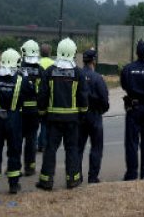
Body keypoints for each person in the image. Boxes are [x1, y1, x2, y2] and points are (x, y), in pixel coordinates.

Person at [36, 38, 89, 191]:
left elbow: (42, 95)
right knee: (71, 148)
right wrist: (83, 113)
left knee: (50, 149)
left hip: (53, 119)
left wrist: (42, 113)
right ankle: (72, 180)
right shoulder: (78, 73)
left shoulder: (49, 71)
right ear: (73, 53)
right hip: (72, 120)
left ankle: (46, 181)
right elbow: (83, 96)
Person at [0, 48, 32, 194]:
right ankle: (13, 184)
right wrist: (27, 78)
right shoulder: (21, 81)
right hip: (14, 119)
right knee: (14, 152)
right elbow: (32, 94)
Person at [120, 40, 144, 181]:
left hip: (133, 107)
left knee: (131, 142)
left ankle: (131, 173)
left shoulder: (128, 69)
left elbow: (124, 85)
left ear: (136, 52)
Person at [78, 48, 109, 184]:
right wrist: (101, 111)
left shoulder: (77, 75)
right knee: (96, 147)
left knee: (78, 148)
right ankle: (93, 177)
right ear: (93, 61)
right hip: (95, 115)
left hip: (80, 115)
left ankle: (76, 176)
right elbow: (105, 99)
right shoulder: (98, 78)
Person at [19, 40, 45, 176]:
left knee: (16, 140)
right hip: (34, 113)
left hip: (19, 112)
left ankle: (14, 167)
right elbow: (44, 91)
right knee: (31, 140)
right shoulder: (40, 70)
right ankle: (30, 167)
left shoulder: (18, 69)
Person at [37, 43, 54, 152]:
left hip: (35, 96)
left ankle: (35, 143)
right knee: (45, 123)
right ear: (50, 52)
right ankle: (42, 143)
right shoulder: (53, 64)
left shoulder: (36, 63)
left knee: (34, 125)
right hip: (47, 96)